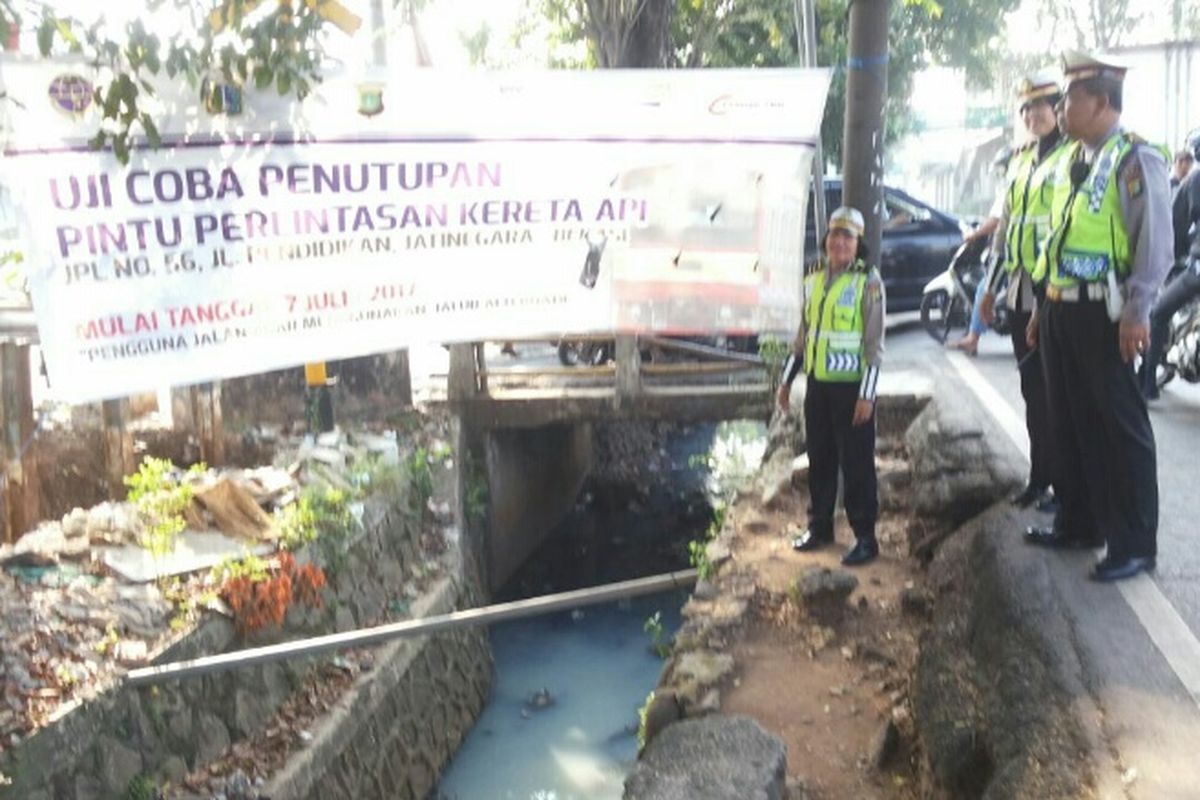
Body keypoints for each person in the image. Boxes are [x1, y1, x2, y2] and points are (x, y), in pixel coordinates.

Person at [1024, 51, 1171, 582]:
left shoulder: (1136, 158)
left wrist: (1138, 312)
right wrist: (1044, 307)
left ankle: (1134, 543)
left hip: (1107, 315)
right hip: (1063, 309)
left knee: (1119, 427)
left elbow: (1154, 244)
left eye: (1071, 98)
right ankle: (1079, 520)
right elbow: (1060, 240)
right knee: (1069, 421)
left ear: (1103, 102)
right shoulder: (1071, 161)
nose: (1061, 108)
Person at [977, 70, 1071, 512]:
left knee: (1059, 393)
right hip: (1019, 290)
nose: (1034, 115)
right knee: (1034, 390)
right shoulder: (1019, 162)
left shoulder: (1072, 157)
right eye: (1027, 109)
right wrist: (990, 285)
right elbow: (1005, 229)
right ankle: (1041, 477)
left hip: (1052, 290)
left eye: (1042, 106)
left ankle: (1067, 488)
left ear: (1059, 110)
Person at [777, 206, 885, 567]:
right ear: (826, 239)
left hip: (852, 389)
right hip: (819, 387)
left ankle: (866, 537)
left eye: (848, 236)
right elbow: (804, 336)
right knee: (820, 458)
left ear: (858, 244)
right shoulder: (813, 279)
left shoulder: (868, 282)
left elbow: (874, 345)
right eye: (835, 235)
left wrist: (867, 395)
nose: (839, 242)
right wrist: (786, 380)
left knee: (856, 464)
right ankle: (820, 526)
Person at [1140, 129, 1200, 399]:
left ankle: (1148, 383)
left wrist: (1171, 256)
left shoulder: (1193, 181)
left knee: (1158, 313)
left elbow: (1174, 226)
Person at [947, 149, 1011, 356]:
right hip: (1013, 250)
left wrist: (975, 234)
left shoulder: (1012, 186)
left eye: (1003, 168)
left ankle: (973, 338)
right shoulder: (1013, 185)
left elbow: (996, 221)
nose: (1002, 173)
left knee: (985, 287)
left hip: (1011, 252)